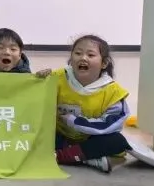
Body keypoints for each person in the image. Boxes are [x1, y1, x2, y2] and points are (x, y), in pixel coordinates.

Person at [36, 35, 130, 173]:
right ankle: (85, 158)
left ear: (104, 63)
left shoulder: (113, 91)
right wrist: (39, 80)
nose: (83, 58)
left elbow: (110, 124)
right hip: (60, 136)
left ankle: (60, 156)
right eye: (78, 53)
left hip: (91, 138)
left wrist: (74, 121)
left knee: (118, 141)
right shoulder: (57, 77)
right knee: (36, 134)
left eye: (90, 55)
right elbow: (34, 100)